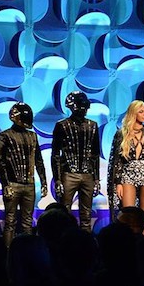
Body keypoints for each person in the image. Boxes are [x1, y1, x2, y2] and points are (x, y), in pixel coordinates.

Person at [108, 100, 144, 235]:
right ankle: (129, 242)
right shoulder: (121, 134)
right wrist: (118, 182)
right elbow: (116, 160)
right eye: (141, 112)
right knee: (128, 214)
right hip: (128, 176)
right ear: (133, 113)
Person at [0, 102, 47, 246]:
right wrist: (5, 184)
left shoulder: (33, 136)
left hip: (29, 184)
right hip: (12, 184)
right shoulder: (4, 136)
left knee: (27, 222)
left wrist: (43, 181)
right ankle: (8, 253)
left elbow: (38, 160)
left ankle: (27, 251)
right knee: (10, 221)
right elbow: (0, 162)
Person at [50, 91, 101, 233]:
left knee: (86, 214)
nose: (83, 110)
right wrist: (58, 179)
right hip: (68, 174)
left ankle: (85, 243)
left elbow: (95, 154)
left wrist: (96, 178)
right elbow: (55, 154)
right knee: (64, 213)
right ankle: (63, 241)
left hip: (87, 174)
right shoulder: (62, 125)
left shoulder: (93, 125)